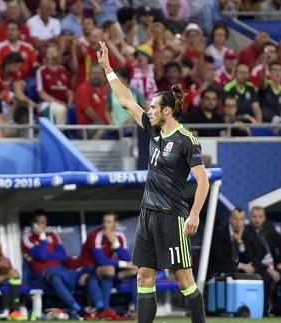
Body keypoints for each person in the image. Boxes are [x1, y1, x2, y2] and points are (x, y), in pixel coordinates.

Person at [97, 41, 210, 323]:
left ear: (167, 112)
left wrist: (194, 214)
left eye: (153, 107)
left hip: (172, 218)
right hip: (148, 214)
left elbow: (203, 181)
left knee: (184, 279)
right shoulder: (153, 130)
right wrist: (109, 69)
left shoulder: (187, 141)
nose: (148, 111)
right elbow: (126, 101)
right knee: (144, 275)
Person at [80, 211, 138, 318]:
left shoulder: (119, 235)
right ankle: (105, 309)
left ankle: (138, 309)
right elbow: (100, 260)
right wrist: (125, 265)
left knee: (135, 271)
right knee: (109, 269)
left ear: (115, 224)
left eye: (109, 222)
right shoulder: (95, 234)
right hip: (90, 268)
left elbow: (126, 258)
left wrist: (115, 243)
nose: (105, 224)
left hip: (109, 269)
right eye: (104, 221)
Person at [245, 206, 281, 315]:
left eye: (260, 217)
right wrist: (269, 270)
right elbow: (251, 258)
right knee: (266, 278)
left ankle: (279, 307)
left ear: (264, 218)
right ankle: (264, 311)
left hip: (274, 266)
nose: (257, 219)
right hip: (258, 267)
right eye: (254, 217)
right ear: (250, 218)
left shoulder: (269, 228)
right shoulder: (246, 232)